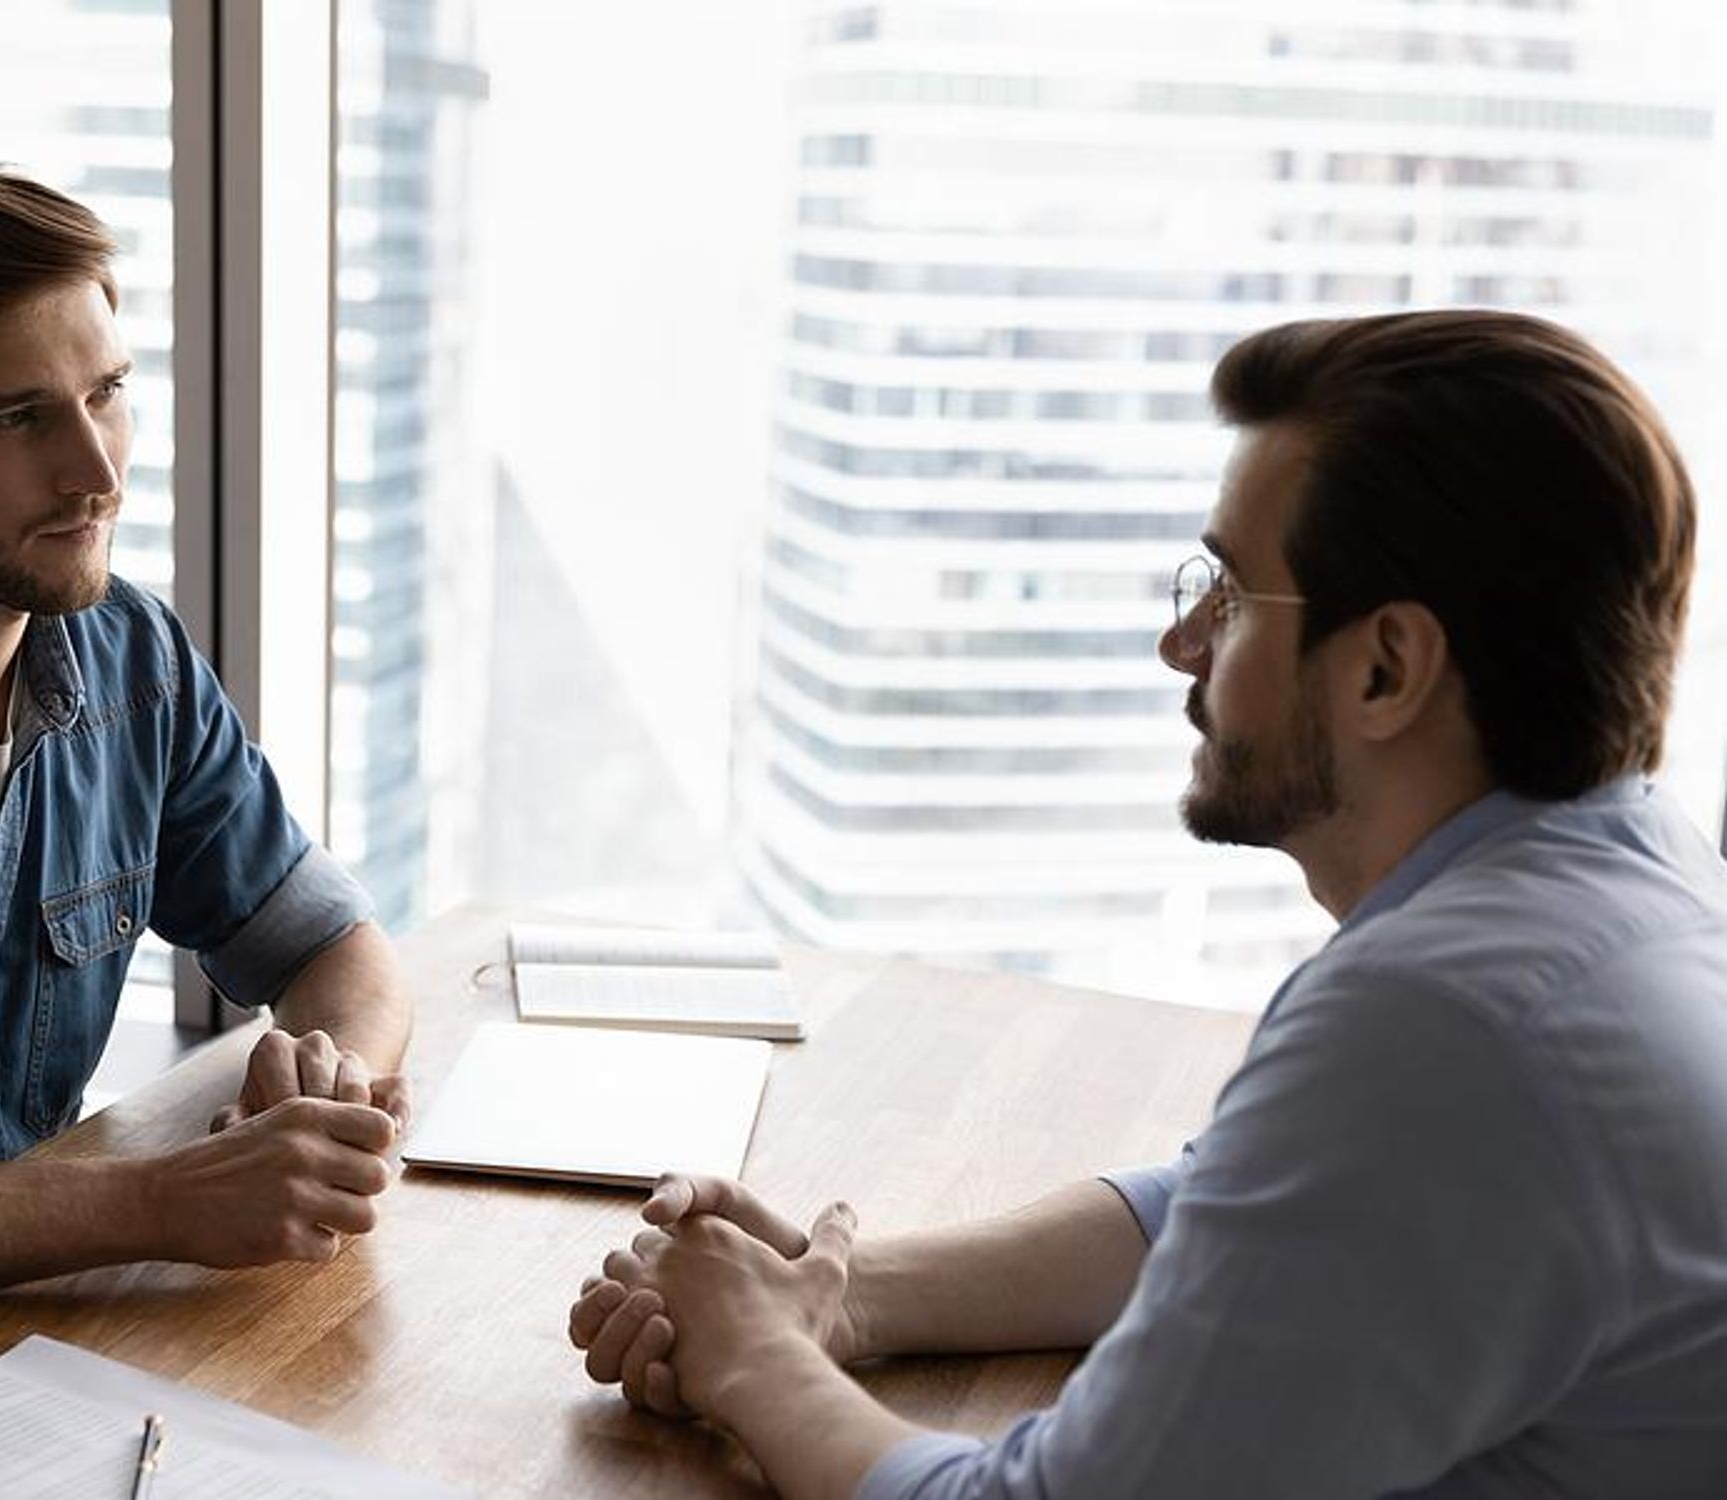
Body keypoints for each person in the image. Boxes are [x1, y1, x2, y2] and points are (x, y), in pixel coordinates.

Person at [569, 309, 1727, 1497]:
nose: (1180, 642)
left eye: (1230, 594)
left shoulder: (1442, 1025)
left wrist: (754, 1357)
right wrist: (842, 1293)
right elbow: (1229, 1204)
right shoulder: (1641, 874)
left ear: (1384, 668)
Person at [0, 148, 414, 1331]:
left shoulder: (128, 657)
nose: (95, 472)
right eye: (16, 418)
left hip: (23, 1363)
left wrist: (322, 1094)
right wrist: (150, 1205)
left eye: (106, 392)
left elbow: (337, 947)